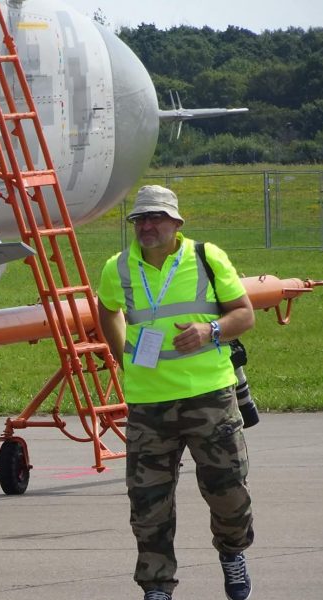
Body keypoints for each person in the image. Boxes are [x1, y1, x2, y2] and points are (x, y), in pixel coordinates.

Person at [96, 185, 256, 600]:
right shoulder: (118, 268)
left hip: (210, 398)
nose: (147, 226)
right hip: (149, 404)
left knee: (227, 491)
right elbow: (106, 309)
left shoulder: (207, 257)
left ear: (176, 223)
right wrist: (123, 357)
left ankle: (233, 552)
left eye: (156, 218)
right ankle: (157, 585)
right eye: (140, 219)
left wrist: (210, 330)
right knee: (148, 502)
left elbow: (245, 314)